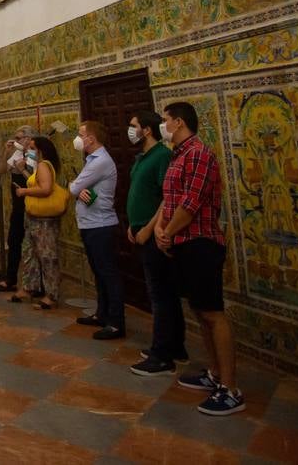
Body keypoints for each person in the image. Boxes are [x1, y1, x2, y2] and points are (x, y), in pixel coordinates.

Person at [155, 102, 244, 416]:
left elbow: (192, 201)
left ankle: (230, 387)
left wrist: (167, 231)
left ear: (178, 122)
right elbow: (171, 197)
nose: (162, 125)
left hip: (201, 243)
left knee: (213, 313)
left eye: (165, 120)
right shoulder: (179, 155)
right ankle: (215, 373)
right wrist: (163, 229)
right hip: (182, 242)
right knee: (199, 310)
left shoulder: (199, 154)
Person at [125, 111, 187, 375]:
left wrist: (150, 229)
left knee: (160, 295)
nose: (130, 130)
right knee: (164, 292)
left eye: (133, 126)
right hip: (140, 229)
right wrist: (133, 224)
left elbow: (167, 197)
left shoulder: (162, 156)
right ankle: (174, 346)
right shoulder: (143, 158)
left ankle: (162, 354)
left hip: (155, 233)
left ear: (147, 130)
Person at [71, 120, 125, 340]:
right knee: (99, 273)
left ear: (91, 138)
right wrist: (77, 187)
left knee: (108, 274)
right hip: (90, 223)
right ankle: (101, 314)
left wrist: (76, 187)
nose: (78, 138)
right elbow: (77, 187)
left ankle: (116, 322)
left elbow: (74, 186)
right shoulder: (91, 160)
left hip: (101, 224)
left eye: (81, 134)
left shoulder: (100, 161)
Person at [11, 135, 61, 310]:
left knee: (47, 256)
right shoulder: (38, 167)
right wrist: (23, 172)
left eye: (32, 147)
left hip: (44, 220)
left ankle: (51, 294)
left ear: (40, 150)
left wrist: (24, 191)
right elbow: (36, 183)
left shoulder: (43, 165)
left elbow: (45, 189)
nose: (28, 150)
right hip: (33, 217)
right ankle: (29, 287)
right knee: (30, 252)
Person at [0, 126, 35, 293]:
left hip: (32, 203)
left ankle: (35, 284)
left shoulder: (36, 156)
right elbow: (1, 170)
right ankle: (11, 279)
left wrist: (23, 168)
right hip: (18, 206)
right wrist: (6, 152)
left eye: (20, 138)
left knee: (33, 245)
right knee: (14, 240)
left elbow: (37, 180)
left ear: (29, 139)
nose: (17, 141)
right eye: (16, 138)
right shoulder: (16, 154)